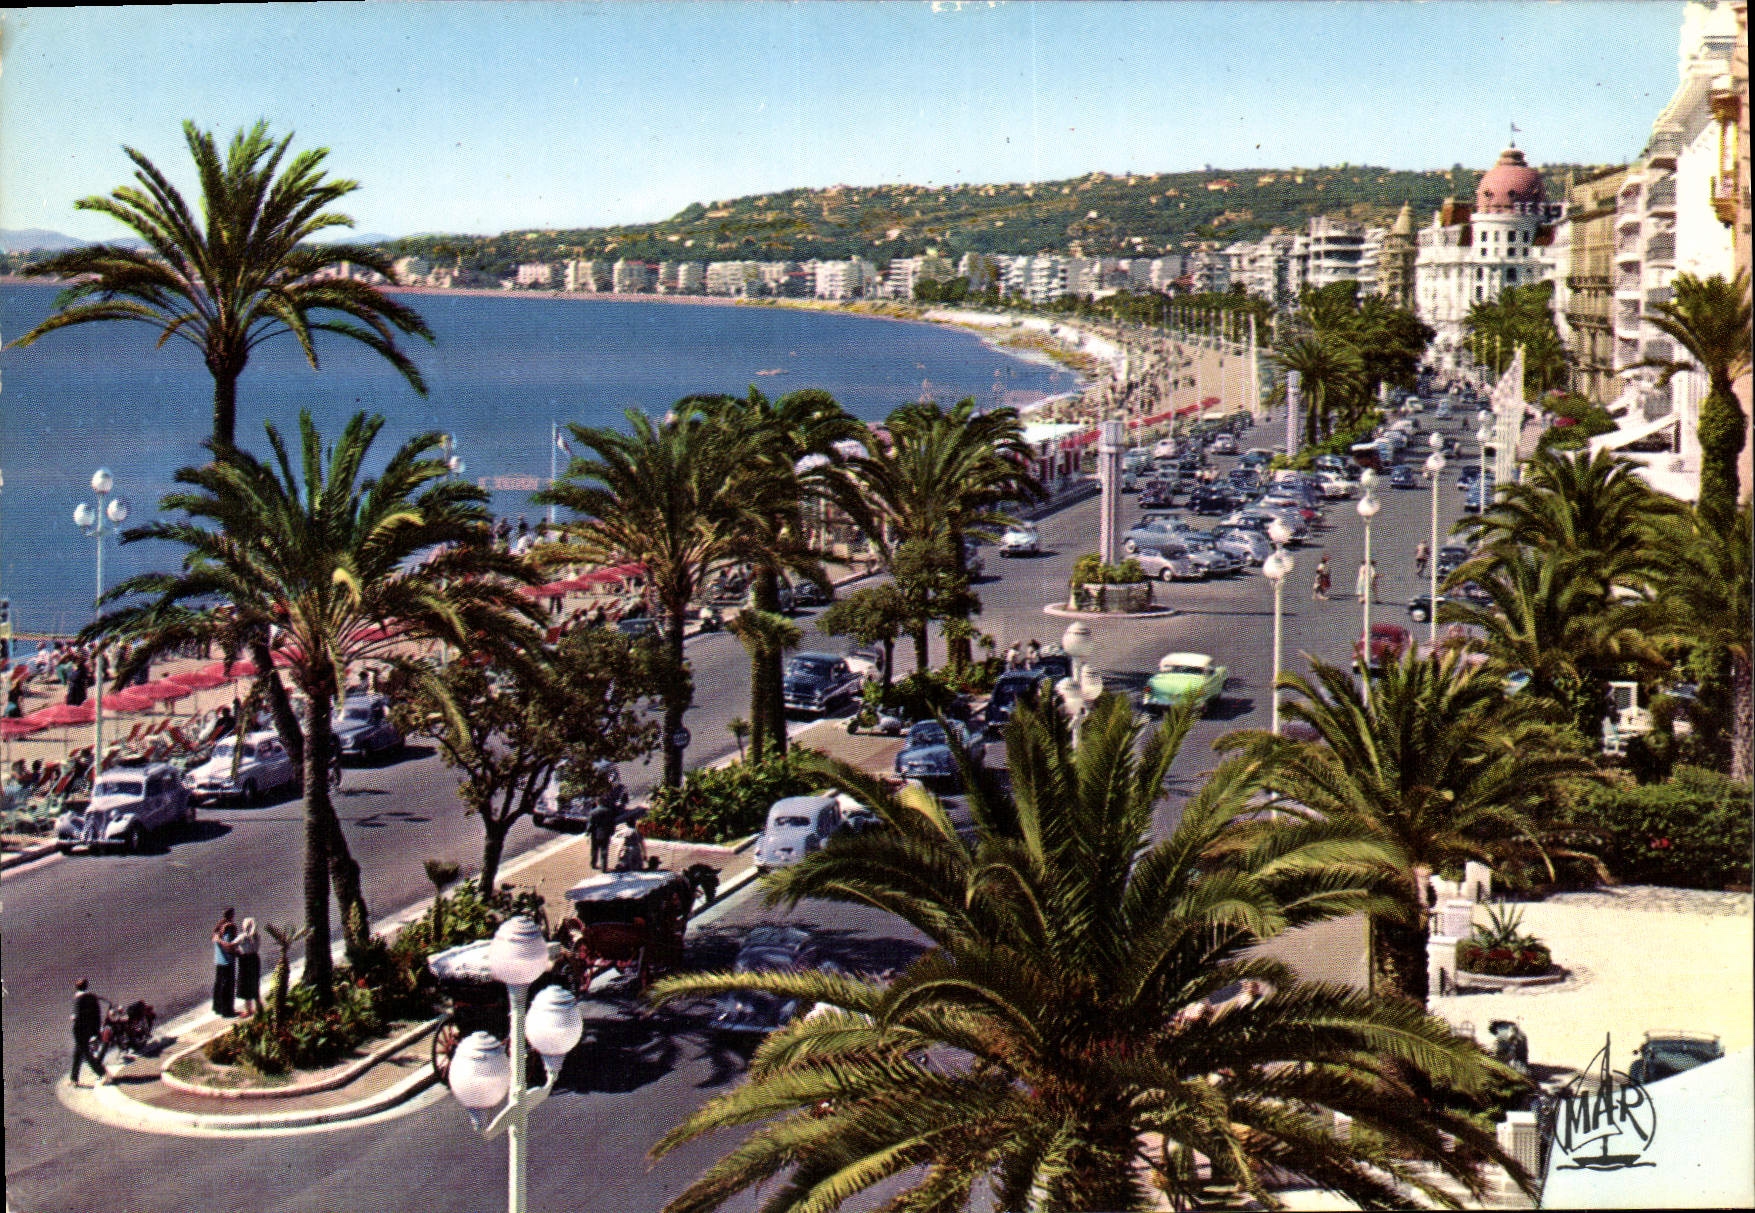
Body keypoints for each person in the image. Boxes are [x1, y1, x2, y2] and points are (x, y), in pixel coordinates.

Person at [71, 979, 110, 1086]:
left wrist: (73, 1017)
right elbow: (97, 1014)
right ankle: (74, 1078)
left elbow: (76, 1016)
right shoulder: (92, 997)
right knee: (78, 1052)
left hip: (80, 1029)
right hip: (89, 1029)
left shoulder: (78, 998)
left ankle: (103, 1073)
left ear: (76, 987)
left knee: (85, 1053)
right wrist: (96, 1030)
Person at [212, 908, 238, 1018]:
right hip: (227, 961)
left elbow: (214, 939)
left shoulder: (218, 927)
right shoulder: (229, 928)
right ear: (232, 915)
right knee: (228, 987)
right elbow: (228, 946)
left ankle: (218, 1007)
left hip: (219, 960)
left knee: (219, 985)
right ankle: (227, 1011)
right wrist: (237, 952)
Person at [234, 918, 262, 1018]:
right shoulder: (257, 936)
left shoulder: (242, 937)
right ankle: (259, 1006)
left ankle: (249, 1010)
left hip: (245, 961)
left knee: (245, 986)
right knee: (254, 983)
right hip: (255, 960)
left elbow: (232, 946)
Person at [586, 802, 617, 871]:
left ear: (597, 803)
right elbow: (612, 823)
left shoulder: (593, 812)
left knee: (594, 850)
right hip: (605, 833)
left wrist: (588, 832)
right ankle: (604, 867)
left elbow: (590, 824)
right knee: (604, 850)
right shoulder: (609, 812)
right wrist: (612, 832)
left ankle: (593, 864)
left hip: (595, 834)